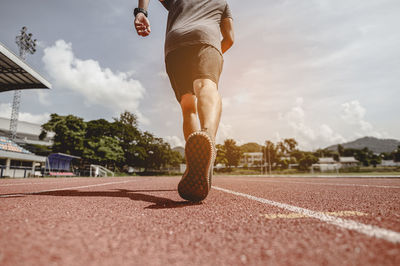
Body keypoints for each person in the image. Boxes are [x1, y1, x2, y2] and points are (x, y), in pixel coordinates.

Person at [134, 0, 234, 202]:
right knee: (206, 85)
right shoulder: (222, 2)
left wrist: (140, 12)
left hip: (175, 45)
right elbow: (230, 38)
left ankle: (193, 167)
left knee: (188, 106)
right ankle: (208, 142)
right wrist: (214, 50)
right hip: (207, 39)